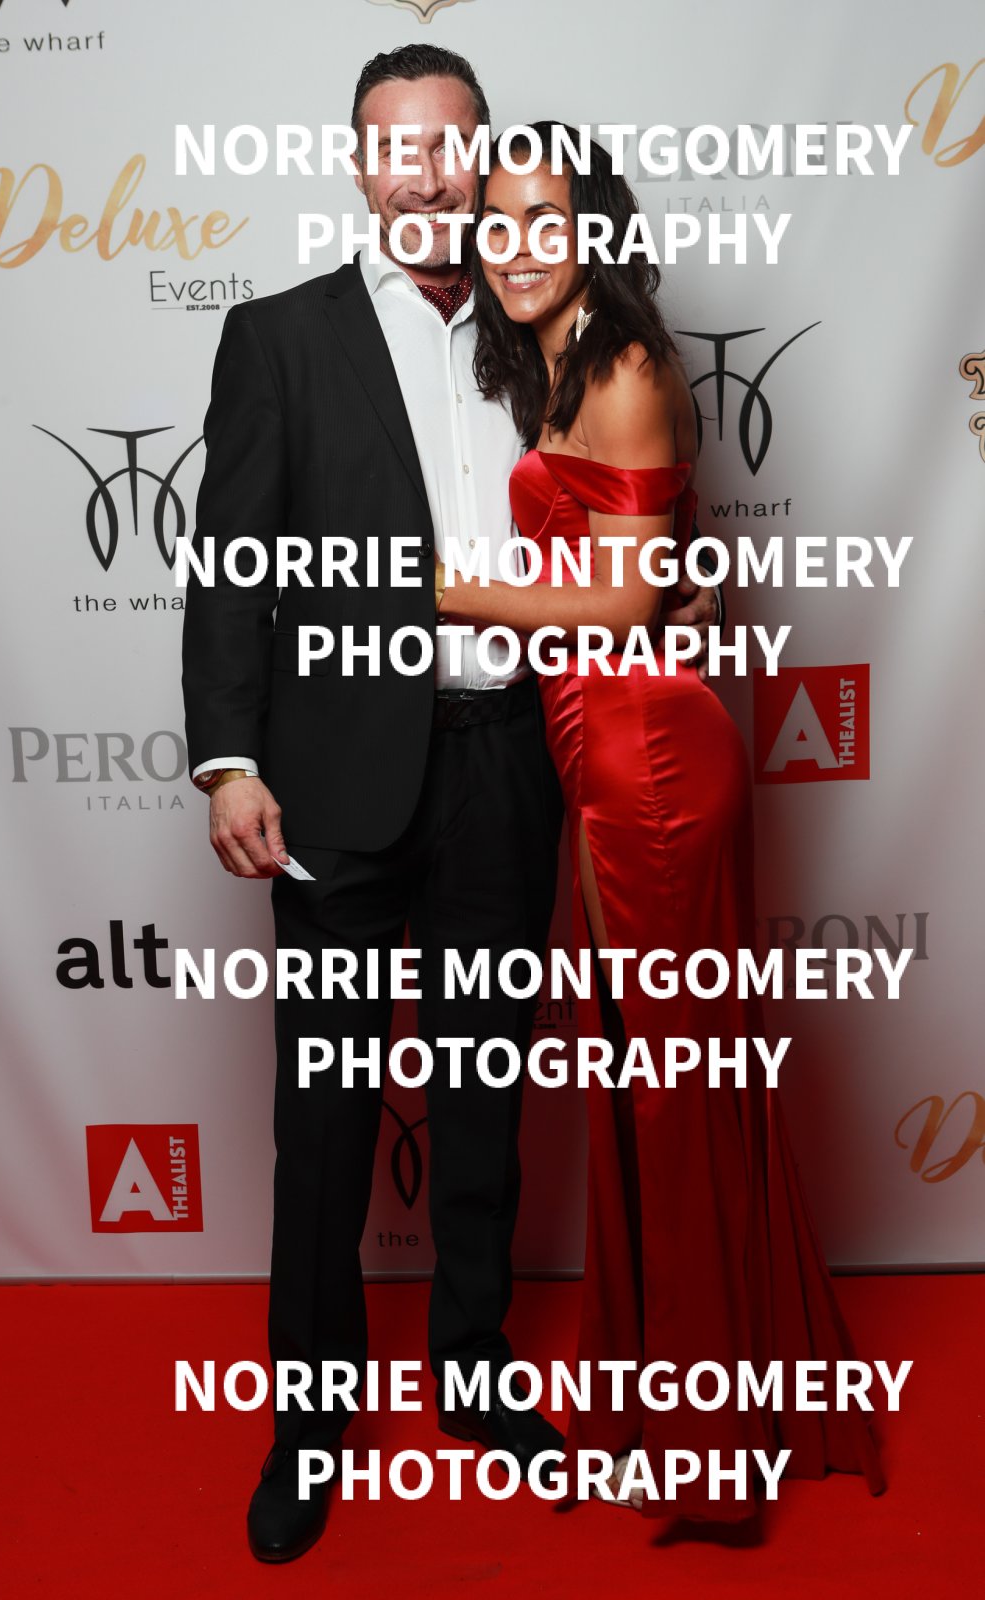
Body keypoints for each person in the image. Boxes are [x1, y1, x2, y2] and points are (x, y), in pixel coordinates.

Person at [182, 50, 722, 1561]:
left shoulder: (545, 326)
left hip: (507, 765)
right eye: (392, 145)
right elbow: (229, 566)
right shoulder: (279, 337)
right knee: (324, 1117)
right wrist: (229, 761)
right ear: (359, 166)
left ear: (484, 167)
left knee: (486, 1095)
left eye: (449, 148)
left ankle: (477, 1371)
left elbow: (624, 519)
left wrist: (658, 597)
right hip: (335, 780)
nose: (422, 173)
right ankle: (310, 1421)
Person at [438, 121, 885, 1519]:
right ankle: (679, 1400)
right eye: (497, 222)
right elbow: (653, 565)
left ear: (596, 231)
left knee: (675, 1091)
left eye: (546, 219)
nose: (516, 248)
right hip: (609, 746)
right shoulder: (564, 365)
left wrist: (455, 594)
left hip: (650, 762)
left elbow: (626, 600)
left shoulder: (624, 366)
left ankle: (708, 1445)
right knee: (653, 1086)